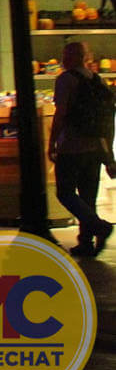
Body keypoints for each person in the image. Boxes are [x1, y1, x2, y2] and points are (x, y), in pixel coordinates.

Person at [48, 41, 116, 257]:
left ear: (71, 57)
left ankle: (100, 227)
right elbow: (107, 120)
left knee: (65, 193)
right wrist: (109, 156)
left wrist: (52, 143)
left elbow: (60, 114)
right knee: (88, 196)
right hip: (95, 148)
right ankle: (85, 242)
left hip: (72, 146)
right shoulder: (98, 81)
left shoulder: (66, 80)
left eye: (65, 54)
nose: (62, 58)